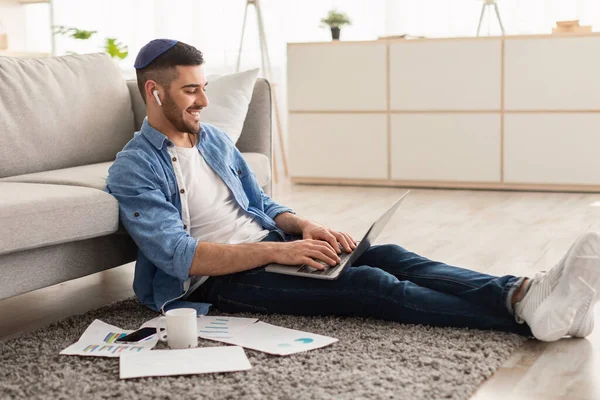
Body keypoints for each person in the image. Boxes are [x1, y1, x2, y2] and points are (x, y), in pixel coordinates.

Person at [106, 39, 600, 342]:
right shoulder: (135, 167)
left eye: (204, 86)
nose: (205, 101)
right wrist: (281, 253)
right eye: (192, 91)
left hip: (267, 248)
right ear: (155, 92)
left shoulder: (211, 138)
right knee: (369, 286)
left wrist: (304, 228)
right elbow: (180, 257)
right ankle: (527, 317)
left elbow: (260, 205)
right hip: (213, 284)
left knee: (390, 256)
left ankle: (524, 293)